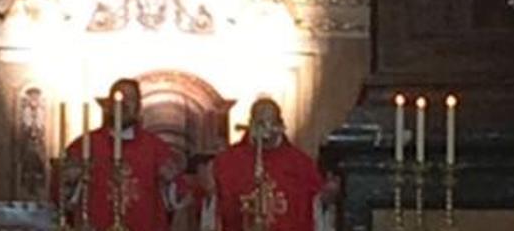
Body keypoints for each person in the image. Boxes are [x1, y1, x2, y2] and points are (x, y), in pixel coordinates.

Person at [54, 78, 185, 231]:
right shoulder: (85, 145)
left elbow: (179, 196)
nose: (123, 103)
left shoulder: (155, 147)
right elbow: (60, 196)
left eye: (130, 99)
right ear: (108, 105)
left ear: (138, 107)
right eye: (119, 97)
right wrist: (69, 181)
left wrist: (170, 182)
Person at [208, 98, 338, 231]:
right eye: (260, 123)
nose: (265, 130)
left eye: (271, 122)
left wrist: (325, 199)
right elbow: (215, 208)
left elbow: (315, 207)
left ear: (280, 126)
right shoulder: (228, 163)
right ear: (250, 124)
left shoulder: (301, 165)